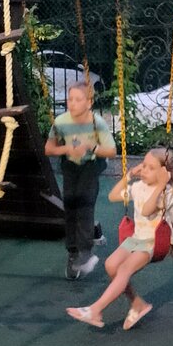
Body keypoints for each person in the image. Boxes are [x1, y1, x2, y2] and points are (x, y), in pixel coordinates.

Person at [65, 146, 173, 329]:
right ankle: (137, 304)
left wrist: (160, 185)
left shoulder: (166, 193)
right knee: (111, 265)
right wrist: (129, 176)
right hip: (136, 239)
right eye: (144, 165)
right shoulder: (139, 187)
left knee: (125, 269)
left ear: (164, 173)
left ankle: (95, 310)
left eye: (151, 168)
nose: (144, 170)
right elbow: (113, 196)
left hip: (153, 243)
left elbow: (147, 209)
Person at [45, 81, 115, 279]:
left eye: (78, 99)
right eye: (70, 99)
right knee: (70, 204)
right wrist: (67, 148)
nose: (73, 103)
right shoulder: (61, 122)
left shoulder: (96, 123)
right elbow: (48, 149)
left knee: (84, 202)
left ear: (89, 102)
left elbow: (111, 151)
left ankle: (83, 252)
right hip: (70, 164)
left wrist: (91, 147)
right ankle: (75, 249)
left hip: (92, 164)